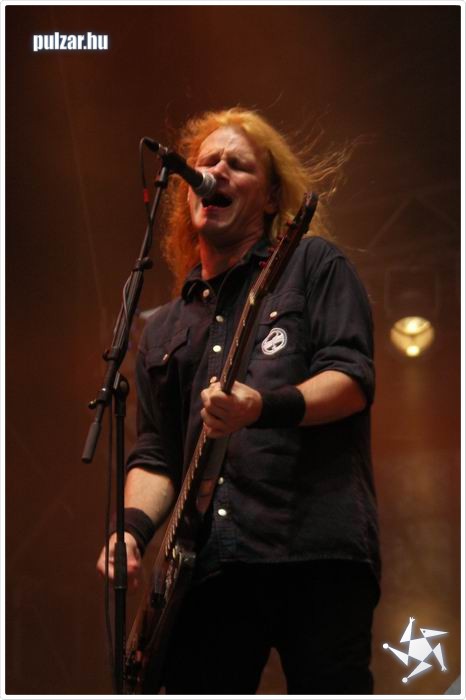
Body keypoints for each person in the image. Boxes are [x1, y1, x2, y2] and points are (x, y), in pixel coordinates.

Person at [97, 107, 381, 694]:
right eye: (207, 162)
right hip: (207, 566)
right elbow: (157, 453)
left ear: (272, 197)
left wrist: (262, 408)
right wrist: (132, 531)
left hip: (314, 550)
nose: (217, 171)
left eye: (238, 164)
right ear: (185, 190)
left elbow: (351, 379)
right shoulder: (164, 326)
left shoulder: (313, 266)